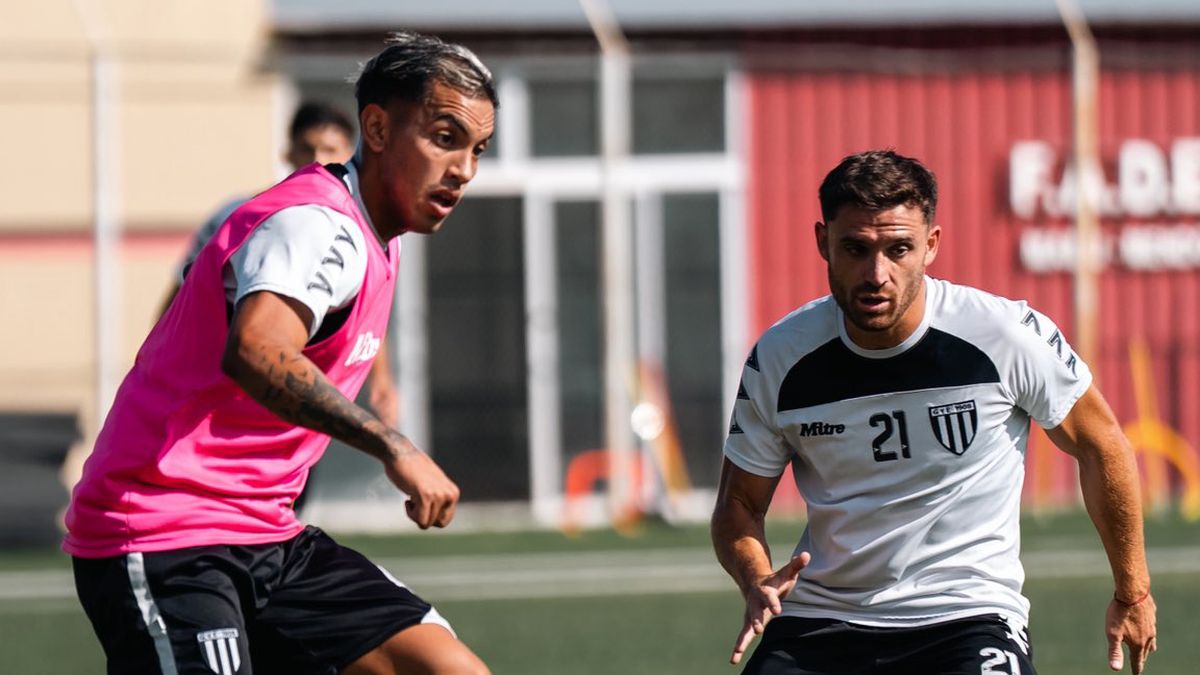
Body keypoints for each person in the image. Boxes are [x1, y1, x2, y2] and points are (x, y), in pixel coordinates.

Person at [65, 32, 496, 675]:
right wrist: (394, 446)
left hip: (269, 535)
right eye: (444, 137)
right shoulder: (317, 225)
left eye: (477, 149)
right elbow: (258, 350)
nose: (463, 168)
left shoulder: (381, 230)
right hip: (166, 533)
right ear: (375, 128)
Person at [711, 150, 1157, 675]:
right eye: (855, 249)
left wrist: (1133, 591)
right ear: (822, 243)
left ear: (931, 246)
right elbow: (739, 504)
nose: (877, 274)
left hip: (968, 617)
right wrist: (756, 578)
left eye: (898, 249)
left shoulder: (1005, 335)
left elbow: (1100, 444)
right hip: (822, 619)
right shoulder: (782, 357)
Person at [162, 101, 401, 431]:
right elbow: (180, 295)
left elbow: (367, 313)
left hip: (299, 402)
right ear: (288, 153)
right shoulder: (241, 215)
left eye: (329, 149)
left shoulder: (359, 231)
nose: (317, 160)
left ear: (349, 154)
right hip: (220, 402)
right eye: (307, 148)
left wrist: (383, 380)